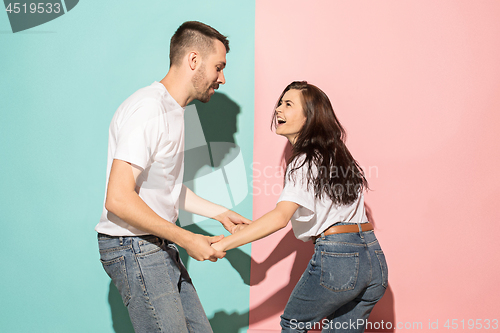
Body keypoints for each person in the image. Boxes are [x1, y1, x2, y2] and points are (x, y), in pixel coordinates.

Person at [95, 21, 250, 333]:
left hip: (155, 243)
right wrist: (187, 238)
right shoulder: (149, 109)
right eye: (218, 67)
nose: (222, 78)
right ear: (194, 60)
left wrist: (219, 213)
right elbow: (118, 198)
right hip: (133, 245)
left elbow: (164, 187)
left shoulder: (174, 111)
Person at [212, 81, 388, 332]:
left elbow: (280, 218)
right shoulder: (338, 156)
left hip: (339, 260)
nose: (277, 110)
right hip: (373, 260)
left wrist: (222, 245)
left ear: (309, 117)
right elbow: (303, 216)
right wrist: (257, 241)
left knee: (292, 324)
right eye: (280, 103)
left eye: (288, 104)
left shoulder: (303, 161)